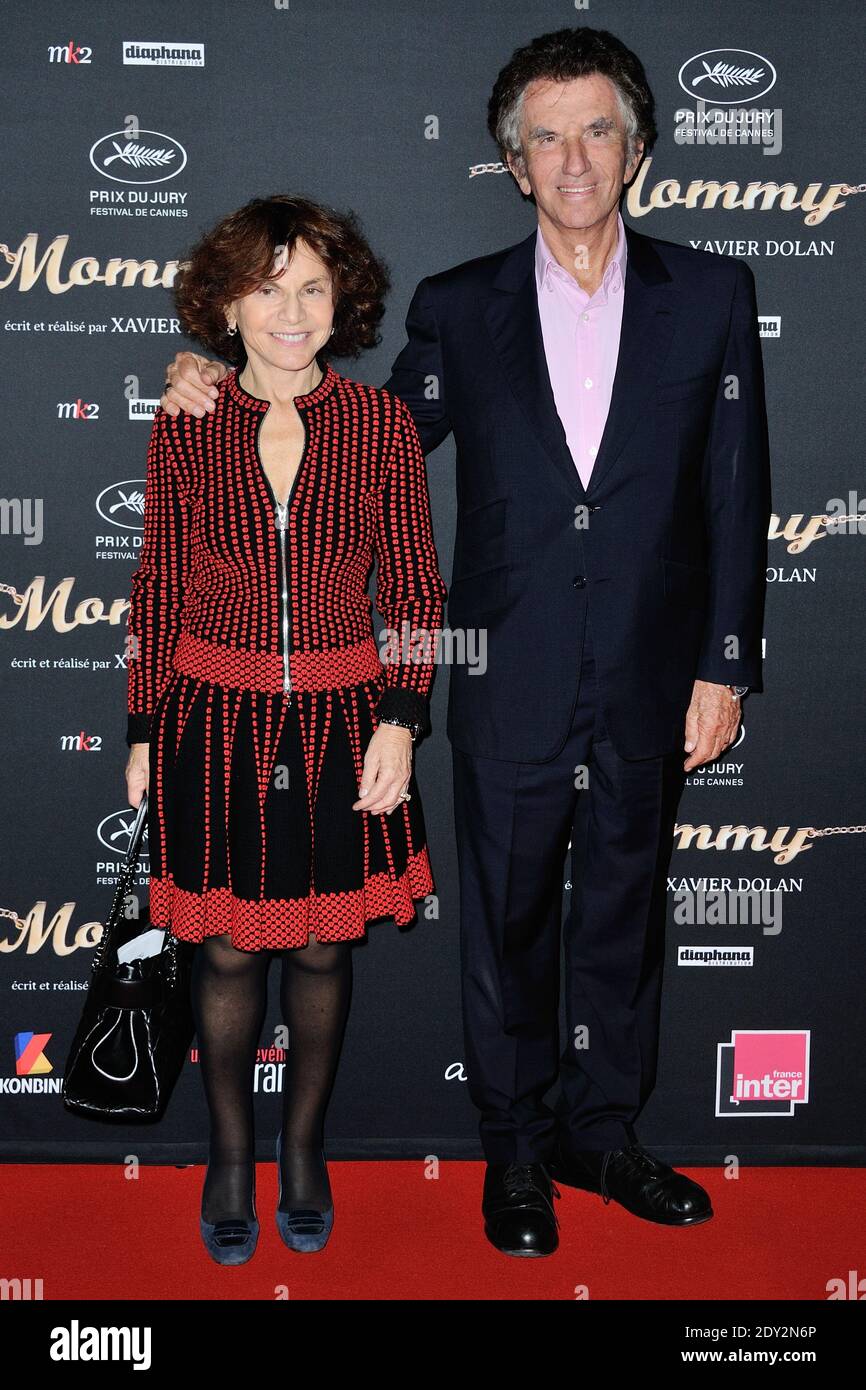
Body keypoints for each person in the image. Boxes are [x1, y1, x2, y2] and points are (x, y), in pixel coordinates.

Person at [161, 26, 771, 1258]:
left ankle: (603, 1137)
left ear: (636, 146)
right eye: (542, 137)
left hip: (651, 676)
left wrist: (724, 662)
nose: (572, 158)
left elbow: (735, 489)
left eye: (594, 128)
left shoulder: (710, 293)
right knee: (503, 928)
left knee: (621, 918)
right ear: (510, 165)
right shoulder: (461, 306)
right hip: (505, 677)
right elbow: (364, 435)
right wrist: (214, 379)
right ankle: (516, 1155)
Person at [125, 194, 446, 1264]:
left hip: (343, 716)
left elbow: (411, 583)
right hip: (209, 718)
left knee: (319, 946)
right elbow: (158, 581)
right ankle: (227, 1154)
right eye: (267, 287)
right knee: (220, 951)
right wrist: (138, 725)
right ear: (226, 302)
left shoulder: (379, 424)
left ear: (341, 300)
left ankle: (302, 1150)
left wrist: (402, 714)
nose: (291, 310)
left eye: (311, 286)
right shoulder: (186, 418)